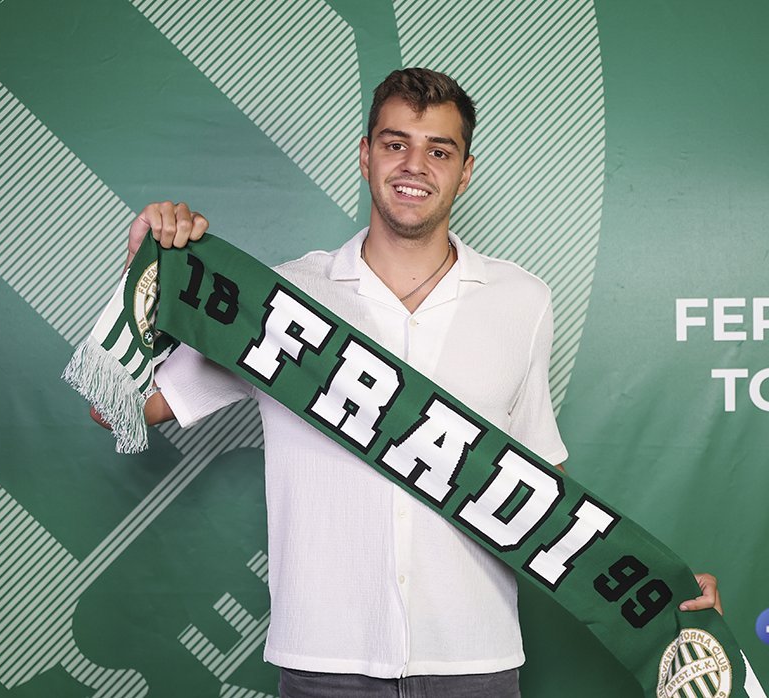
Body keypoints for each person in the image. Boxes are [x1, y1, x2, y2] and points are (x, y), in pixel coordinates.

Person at [96, 68, 722, 698]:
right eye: (395, 144)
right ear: (365, 155)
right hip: (323, 658)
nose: (414, 165)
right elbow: (116, 407)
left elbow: (538, 485)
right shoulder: (278, 301)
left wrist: (656, 590)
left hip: (475, 660)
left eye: (439, 151)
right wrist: (143, 276)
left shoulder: (522, 299)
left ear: (465, 172)